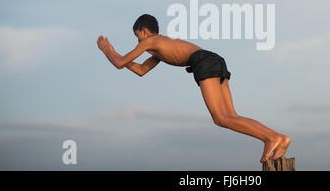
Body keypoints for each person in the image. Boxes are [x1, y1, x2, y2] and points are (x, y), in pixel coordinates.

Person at [97, 14, 291, 163]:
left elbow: (120, 63)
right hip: (214, 58)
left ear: (144, 31)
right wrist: (119, 56)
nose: (138, 42)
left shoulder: (150, 41)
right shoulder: (160, 47)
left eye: (137, 37)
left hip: (203, 61)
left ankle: (270, 137)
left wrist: (107, 50)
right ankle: (279, 138)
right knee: (231, 115)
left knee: (220, 118)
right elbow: (140, 70)